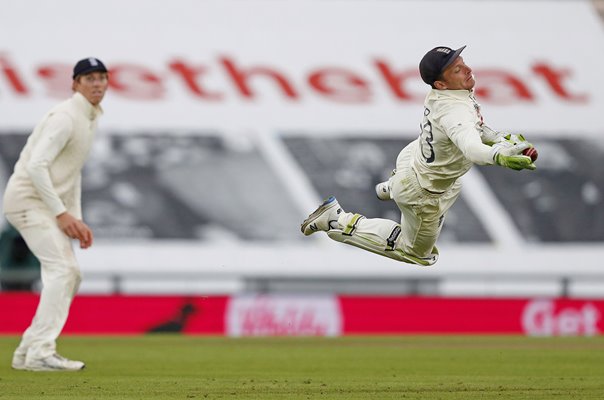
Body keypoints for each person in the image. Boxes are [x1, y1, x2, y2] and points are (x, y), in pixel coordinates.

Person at [301, 45, 537, 266]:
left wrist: (499, 139)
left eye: (463, 63)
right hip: (423, 192)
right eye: (457, 69)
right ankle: (335, 219)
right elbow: (472, 148)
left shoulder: (449, 94)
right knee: (418, 254)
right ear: (441, 84)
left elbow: (474, 128)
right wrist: (500, 156)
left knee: (447, 182)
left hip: (413, 160)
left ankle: (391, 187)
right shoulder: (455, 110)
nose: (468, 70)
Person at [3, 57, 109, 371]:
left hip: (44, 205)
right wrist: (62, 214)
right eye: (89, 78)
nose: (97, 84)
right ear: (75, 84)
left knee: (71, 274)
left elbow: (71, 172)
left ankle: (27, 351)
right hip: (26, 201)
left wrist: (73, 218)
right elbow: (36, 166)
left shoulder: (90, 117)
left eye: (102, 77)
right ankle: (39, 353)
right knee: (62, 271)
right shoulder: (65, 116)